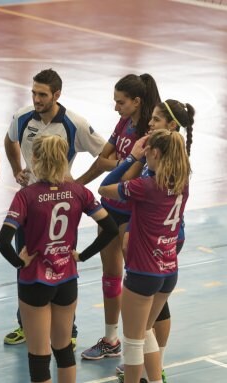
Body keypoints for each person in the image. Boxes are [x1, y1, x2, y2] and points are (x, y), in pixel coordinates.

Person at [0, 135, 118, 383]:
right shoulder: (79, 192)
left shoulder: (27, 196)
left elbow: (2, 241)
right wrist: (82, 255)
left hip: (35, 281)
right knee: (63, 350)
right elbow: (111, 228)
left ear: (35, 158)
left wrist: (19, 263)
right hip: (67, 278)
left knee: (39, 355)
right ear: (64, 158)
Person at [2, 68, 106, 346]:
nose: (36, 98)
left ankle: (67, 331)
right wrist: (16, 169)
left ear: (57, 95)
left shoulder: (75, 124)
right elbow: (9, 140)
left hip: (62, 203)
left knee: (62, 262)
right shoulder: (23, 117)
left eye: (42, 94)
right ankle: (26, 324)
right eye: (34, 92)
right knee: (25, 260)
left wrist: (80, 183)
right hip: (30, 203)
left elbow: (108, 155)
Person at [112, 100, 195, 382]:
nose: (150, 123)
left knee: (137, 332)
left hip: (154, 251)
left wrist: (133, 159)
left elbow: (109, 190)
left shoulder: (151, 179)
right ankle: (155, 373)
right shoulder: (180, 174)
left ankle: (147, 372)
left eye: (157, 120)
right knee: (147, 323)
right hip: (167, 257)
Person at [81, 74, 161, 361]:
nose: (116, 107)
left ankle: (139, 347)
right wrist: (77, 184)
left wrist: (116, 164)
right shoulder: (124, 122)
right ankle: (111, 338)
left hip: (131, 213)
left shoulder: (149, 132)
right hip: (109, 207)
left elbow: (128, 174)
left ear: (137, 101)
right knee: (111, 275)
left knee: (138, 281)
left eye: (121, 102)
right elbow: (102, 158)